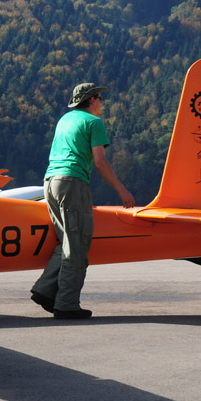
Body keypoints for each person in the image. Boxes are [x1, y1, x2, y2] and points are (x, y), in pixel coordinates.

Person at [30, 83, 135, 319]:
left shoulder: (65, 120)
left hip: (51, 181)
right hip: (72, 182)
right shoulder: (93, 122)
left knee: (67, 240)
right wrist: (122, 190)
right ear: (91, 100)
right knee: (77, 246)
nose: (102, 102)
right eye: (100, 98)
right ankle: (66, 305)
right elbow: (99, 162)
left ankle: (45, 291)